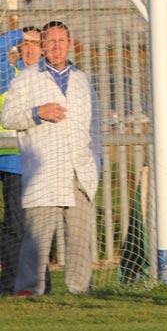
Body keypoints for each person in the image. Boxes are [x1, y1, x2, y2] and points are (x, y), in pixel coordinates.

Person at [1, 21, 102, 296]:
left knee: (80, 237)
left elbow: (96, 128)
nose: (56, 46)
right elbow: (8, 117)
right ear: (42, 45)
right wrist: (38, 113)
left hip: (79, 169)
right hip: (43, 169)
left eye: (61, 41)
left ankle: (80, 291)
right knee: (37, 237)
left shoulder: (83, 80)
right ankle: (29, 290)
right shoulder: (26, 78)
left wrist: (96, 164)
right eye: (50, 41)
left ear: (70, 43)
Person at [0, 23, 43, 294]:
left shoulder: (48, 80)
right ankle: (11, 283)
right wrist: (19, 34)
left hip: (34, 161)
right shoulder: (8, 75)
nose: (29, 50)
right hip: (10, 158)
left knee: (33, 227)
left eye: (35, 45)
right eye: (25, 44)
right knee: (16, 225)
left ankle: (32, 282)